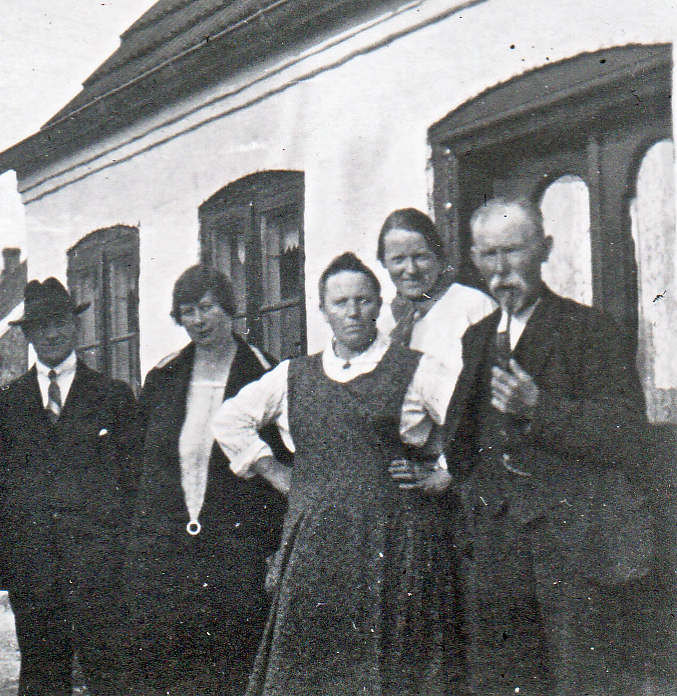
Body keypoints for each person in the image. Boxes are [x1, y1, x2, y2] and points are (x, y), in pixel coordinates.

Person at [213, 252, 459, 696]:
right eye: (341, 302)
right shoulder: (293, 375)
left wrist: (442, 473)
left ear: (380, 304)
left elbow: (473, 423)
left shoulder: (417, 368)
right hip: (316, 553)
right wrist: (277, 475)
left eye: (363, 301)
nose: (352, 312)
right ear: (323, 310)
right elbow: (230, 420)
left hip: (393, 549)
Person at [444, 197, 650, 696]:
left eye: (514, 251)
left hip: (571, 549)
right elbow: (462, 436)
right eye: (489, 254)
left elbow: (627, 432)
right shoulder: (477, 337)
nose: (502, 268)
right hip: (497, 549)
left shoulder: (589, 328)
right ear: (475, 259)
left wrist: (540, 408)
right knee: (505, 680)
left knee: (579, 681)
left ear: (545, 250)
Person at [123, 265, 290, 696]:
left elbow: (283, 468)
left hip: (237, 553)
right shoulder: (165, 376)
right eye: (187, 311)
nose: (198, 320)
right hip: (169, 554)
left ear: (228, 309)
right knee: (170, 670)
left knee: (233, 667)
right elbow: (142, 466)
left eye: (206, 307)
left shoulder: (265, 373)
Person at [0, 277, 142, 696]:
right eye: (41, 326)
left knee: (111, 675)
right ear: (28, 335)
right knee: (41, 678)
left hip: (100, 569)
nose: (52, 334)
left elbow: (133, 486)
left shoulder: (113, 397)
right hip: (33, 570)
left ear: (76, 327)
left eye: (60, 323)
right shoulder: (5, 404)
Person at [377, 207, 496, 384]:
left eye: (420, 257)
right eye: (398, 259)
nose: (410, 270)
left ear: (439, 258)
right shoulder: (384, 323)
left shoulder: (472, 304)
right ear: (384, 263)